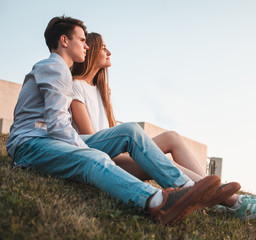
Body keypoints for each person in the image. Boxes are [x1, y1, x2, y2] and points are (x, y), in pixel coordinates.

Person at [5, 16, 241, 225]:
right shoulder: (55, 67)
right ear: (64, 41)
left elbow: (59, 128)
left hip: (49, 139)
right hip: (30, 145)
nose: (87, 45)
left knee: (129, 131)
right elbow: (57, 125)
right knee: (92, 158)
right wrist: (84, 150)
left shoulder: (62, 72)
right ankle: (157, 201)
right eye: (81, 40)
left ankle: (188, 190)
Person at [70, 32, 256, 220]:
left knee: (172, 137)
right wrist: (142, 154)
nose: (109, 51)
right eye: (103, 47)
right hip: (107, 163)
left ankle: (212, 191)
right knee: (158, 158)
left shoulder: (102, 92)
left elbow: (113, 132)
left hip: (122, 157)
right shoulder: (76, 86)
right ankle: (234, 202)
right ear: (91, 50)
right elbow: (94, 141)